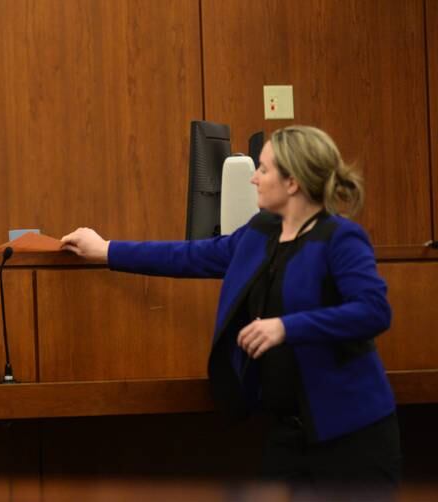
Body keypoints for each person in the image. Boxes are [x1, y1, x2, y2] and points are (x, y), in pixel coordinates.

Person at [61, 125, 401, 484]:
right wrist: (106, 249)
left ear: (293, 183)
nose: (253, 178)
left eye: (264, 169)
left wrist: (287, 327)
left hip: (352, 434)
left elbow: (373, 311)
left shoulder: (340, 238)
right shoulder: (260, 232)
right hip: (288, 433)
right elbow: (191, 256)